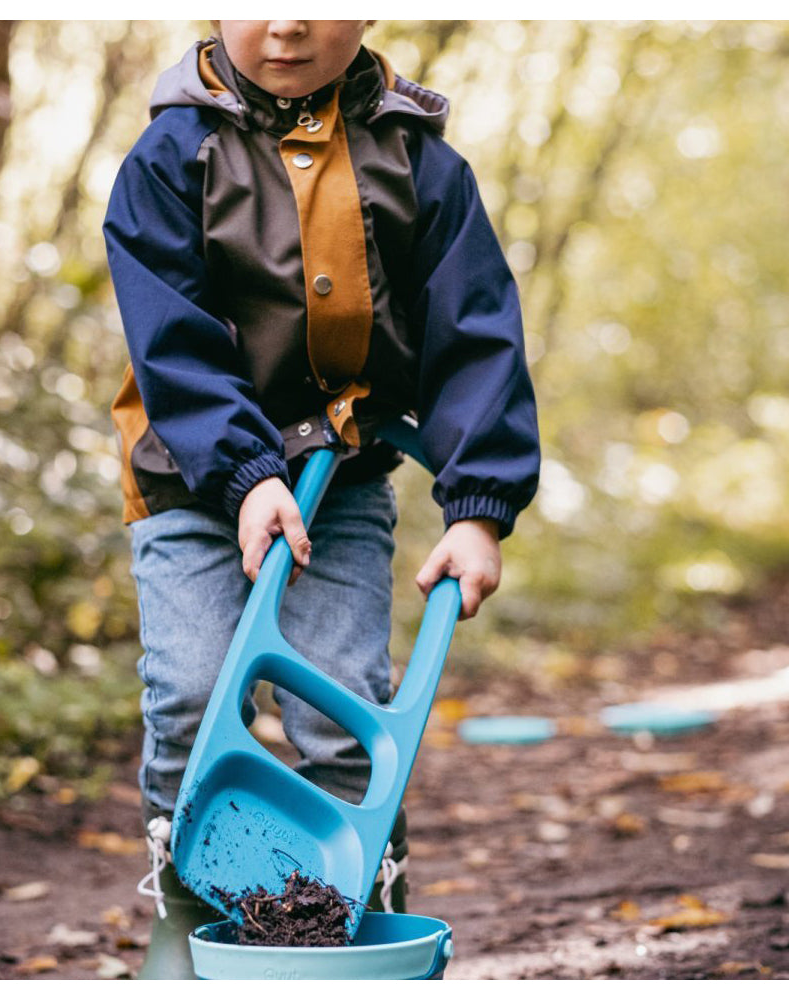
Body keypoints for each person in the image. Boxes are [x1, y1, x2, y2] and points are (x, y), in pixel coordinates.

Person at [103, 20, 540, 977]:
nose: (289, 21)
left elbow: (476, 336)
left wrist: (478, 504)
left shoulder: (420, 162)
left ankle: (360, 900)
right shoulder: (174, 154)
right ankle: (186, 901)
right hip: (192, 480)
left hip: (336, 484)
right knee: (192, 689)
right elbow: (170, 342)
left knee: (342, 708)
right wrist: (245, 473)